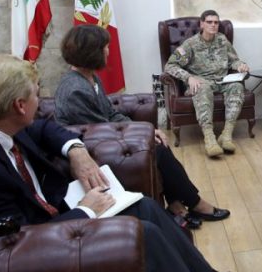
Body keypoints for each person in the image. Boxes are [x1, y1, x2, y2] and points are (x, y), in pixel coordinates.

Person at [0, 54, 262, 272]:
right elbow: (12, 249)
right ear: (19, 106)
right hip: (36, 248)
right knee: (144, 235)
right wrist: (86, 210)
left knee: (145, 206)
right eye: (36, 95)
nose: (41, 101)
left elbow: (45, 126)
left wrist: (76, 150)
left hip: (55, 212)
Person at [54, 25, 229, 228]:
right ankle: (195, 203)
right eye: (105, 47)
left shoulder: (89, 77)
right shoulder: (75, 89)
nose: (108, 52)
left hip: (104, 138)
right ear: (91, 52)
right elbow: (100, 129)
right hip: (93, 151)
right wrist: (142, 134)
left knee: (158, 142)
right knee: (158, 149)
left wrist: (146, 129)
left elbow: (110, 114)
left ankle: (175, 203)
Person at [164, 10, 250, 157]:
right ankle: (209, 138)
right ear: (202, 24)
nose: (213, 25)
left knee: (237, 86)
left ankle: (226, 134)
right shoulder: (190, 44)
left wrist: (241, 65)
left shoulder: (222, 40)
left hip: (222, 81)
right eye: (209, 22)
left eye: (216, 22)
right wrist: (188, 78)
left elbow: (234, 60)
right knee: (201, 88)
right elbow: (170, 66)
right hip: (201, 81)